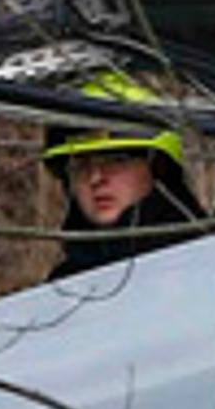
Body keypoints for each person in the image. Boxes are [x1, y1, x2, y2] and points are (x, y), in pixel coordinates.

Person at [43, 72, 202, 283]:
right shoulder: (61, 291)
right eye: (81, 165)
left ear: (158, 167)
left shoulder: (210, 259)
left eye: (115, 160)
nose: (95, 178)